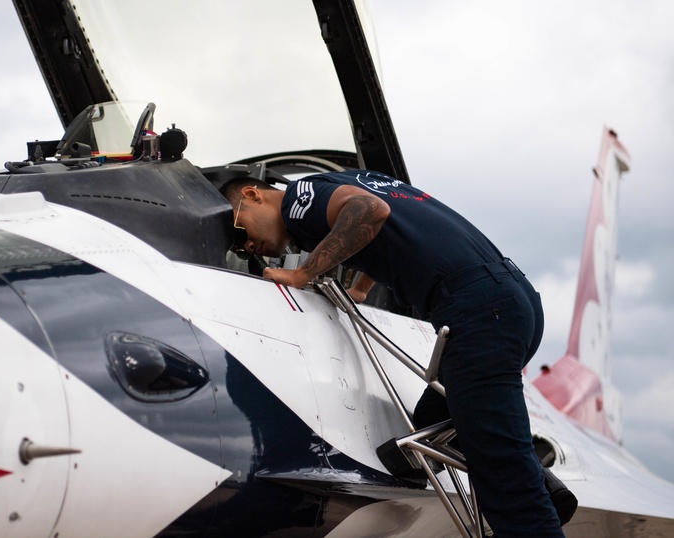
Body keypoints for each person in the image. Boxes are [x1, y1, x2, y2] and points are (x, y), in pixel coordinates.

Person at [220, 171, 572, 537]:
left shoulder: (297, 200)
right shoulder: (342, 182)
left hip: (480, 312)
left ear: (253, 195)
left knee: (503, 476)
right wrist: (360, 287)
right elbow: (384, 225)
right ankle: (545, 487)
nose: (246, 247)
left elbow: (369, 211)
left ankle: (530, 496)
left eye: (239, 231)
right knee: (433, 427)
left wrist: (302, 274)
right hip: (510, 298)